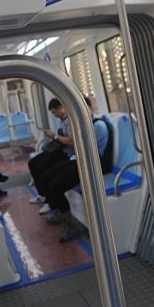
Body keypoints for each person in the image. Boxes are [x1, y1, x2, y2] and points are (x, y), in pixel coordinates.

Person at [35, 97, 113, 243]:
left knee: (55, 187)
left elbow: (89, 152)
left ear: (89, 108)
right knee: (45, 177)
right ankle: (60, 214)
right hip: (80, 160)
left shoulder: (98, 127)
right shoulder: (85, 125)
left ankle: (71, 225)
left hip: (92, 165)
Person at [27, 98, 73, 208]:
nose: (54, 115)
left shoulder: (70, 121)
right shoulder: (62, 120)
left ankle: (48, 200)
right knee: (33, 163)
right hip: (59, 150)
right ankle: (42, 194)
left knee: (41, 169)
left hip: (66, 153)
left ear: (61, 108)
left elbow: (71, 141)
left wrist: (55, 136)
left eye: (55, 112)